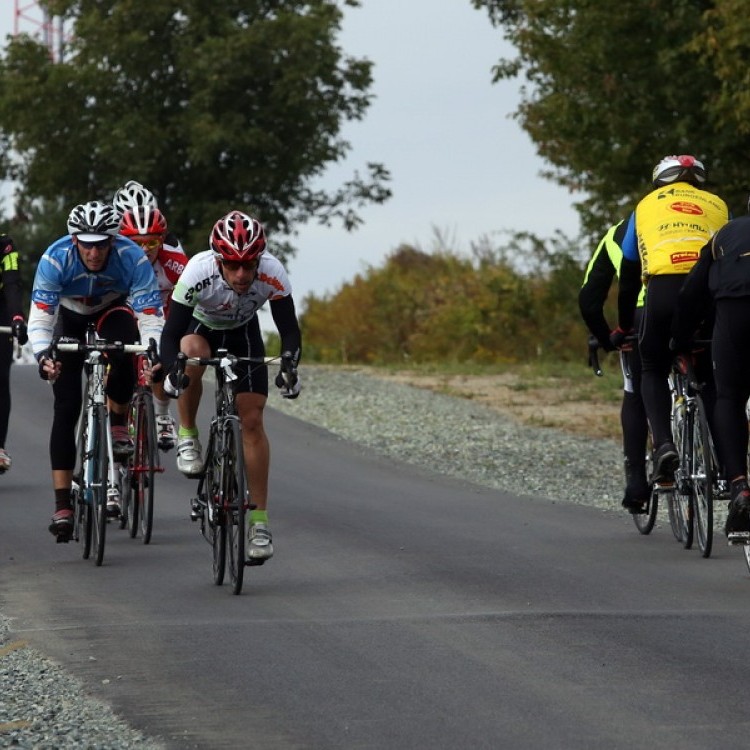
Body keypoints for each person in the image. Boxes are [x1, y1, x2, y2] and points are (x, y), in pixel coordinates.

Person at [159, 210, 301, 563]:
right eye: (233, 265)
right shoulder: (198, 270)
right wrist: (171, 373)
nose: (241, 274)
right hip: (201, 329)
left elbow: (290, 333)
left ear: (259, 260)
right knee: (190, 354)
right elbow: (171, 333)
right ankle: (188, 435)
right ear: (219, 260)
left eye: (248, 265)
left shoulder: (273, 272)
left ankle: (259, 522)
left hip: (244, 334)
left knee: (251, 420)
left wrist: (289, 367)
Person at [29, 201, 164, 541]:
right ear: (74, 241)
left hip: (112, 310)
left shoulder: (131, 257)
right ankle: (62, 504)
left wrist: (152, 349)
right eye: (86, 243)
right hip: (70, 317)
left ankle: (118, 423)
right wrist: (43, 354)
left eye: (101, 243)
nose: (93, 251)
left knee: (125, 350)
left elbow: (150, 314)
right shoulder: (55, 258)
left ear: (112, 241)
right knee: (66, 406)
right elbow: (41, 318)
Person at [613, 154, 729, 483]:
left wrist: (624, 325)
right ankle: (724, 463)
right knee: (710, 377)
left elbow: (629, 273)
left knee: (651, 366)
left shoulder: (646, 206)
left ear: (659, 181)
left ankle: (664, 443)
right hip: (709, 292)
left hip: (663, 291)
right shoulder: (718, 205)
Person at [672, 203, 750, 537]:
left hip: (734, 313)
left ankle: (739, 486)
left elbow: (692, 293)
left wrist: (680, 340)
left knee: (729, 396)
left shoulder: (724, 235)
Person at [579, 219, 650, 512]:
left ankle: (636, 485)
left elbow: (589, 299)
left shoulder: (618, 232)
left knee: (635, 395)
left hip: (642, 316)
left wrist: (608, 340)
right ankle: (725, 472)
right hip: (702, 314)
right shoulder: (711, 212)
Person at [119, 204, 189, 450]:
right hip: (127, 312)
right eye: (137, 242)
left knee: (159, 356)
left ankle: (161, 414)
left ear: (162, 240)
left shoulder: (176, 264)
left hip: (161, 314)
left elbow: (192, 299)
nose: (144, 249)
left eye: (151, 243)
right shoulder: (117, 260)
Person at [0, 234, 28, 473]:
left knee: (0, 379)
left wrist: (17, 317)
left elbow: (12, 284)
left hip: (1, 314)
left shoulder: (5, 245)